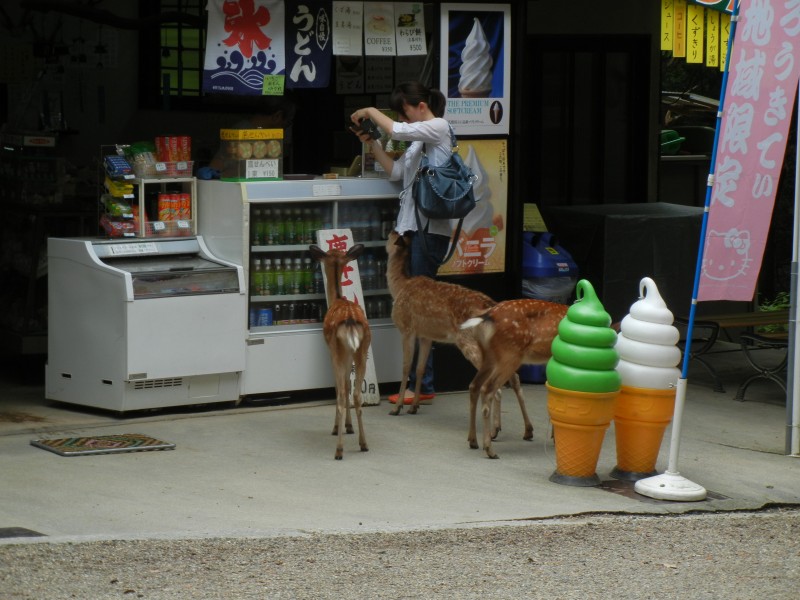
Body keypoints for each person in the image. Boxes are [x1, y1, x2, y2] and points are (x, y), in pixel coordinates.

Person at [349, 81, 454, 405]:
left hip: (429, 231)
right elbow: (396, 173)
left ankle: (421, 386)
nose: (402, 119)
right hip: (413, 230)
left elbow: (395, 128)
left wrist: (369, 111)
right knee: (415, 308)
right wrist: (372, 143)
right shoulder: (420, 139)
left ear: (419, 106)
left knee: (419, 307)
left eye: (404, 110)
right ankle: (421, 385)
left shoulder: (437, 127)